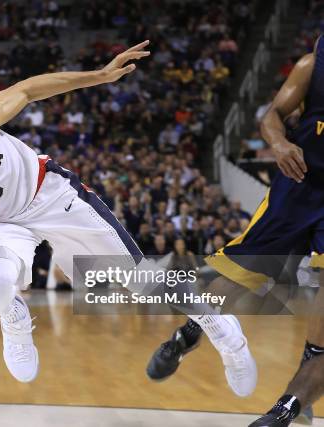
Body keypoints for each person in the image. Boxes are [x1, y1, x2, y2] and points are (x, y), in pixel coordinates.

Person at [0, 41, 255, 395]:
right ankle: (15, 317)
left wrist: (99, 75)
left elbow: (28, 90)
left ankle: (225, 333)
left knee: (142, 280)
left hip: (49, 196)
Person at [147, 37, 324, 427]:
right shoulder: (312, 64)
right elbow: (272, 115)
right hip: (300, 182)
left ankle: (300, 393)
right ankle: (187, 335)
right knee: (243, 270)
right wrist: (277, 143)